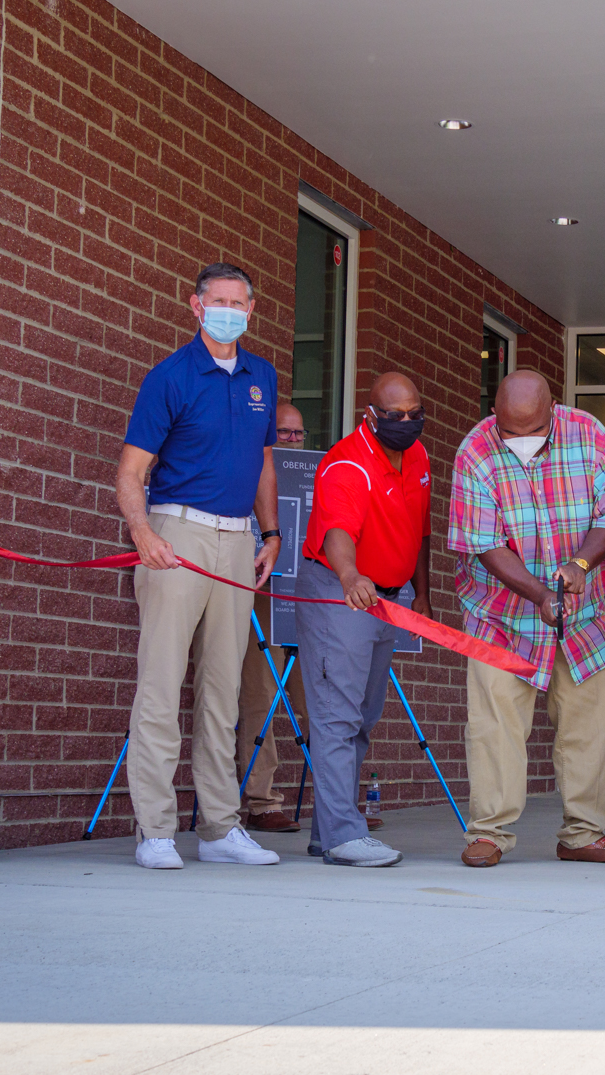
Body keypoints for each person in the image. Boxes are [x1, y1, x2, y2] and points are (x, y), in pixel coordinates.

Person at [117, 262, 283, 870]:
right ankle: (155, 830)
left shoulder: (262, 374)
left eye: (240, 302)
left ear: (251, 308)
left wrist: (270, 533)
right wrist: (142, 534)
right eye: (219, 301)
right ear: (195, 305)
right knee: (161, 684)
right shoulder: (170, 377)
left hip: (240, 541)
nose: (230, 311)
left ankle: (219, 828)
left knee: (225, 688)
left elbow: (263, 464)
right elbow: (130, 473)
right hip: (176, 532)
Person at [448, 369, 605, 868]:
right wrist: (538, 593)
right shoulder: (474, 452)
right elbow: (485, 543)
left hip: (584, 612)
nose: (521, 443)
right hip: (500, 615)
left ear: (553, 411)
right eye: (510, 433)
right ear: (495, 414)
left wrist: (579, 565)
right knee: (494, 723)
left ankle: (585, 834)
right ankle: (489, 832)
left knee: (590, 722)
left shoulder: (589, 433)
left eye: (533, 432)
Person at [294, 371, 432, 867]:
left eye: (416, 414)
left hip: (388, 598)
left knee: (362, 718)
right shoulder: (347, 462)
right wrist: (351, 577)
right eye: (396, 416)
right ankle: (343, 836)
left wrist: (424, 595)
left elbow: (420, 532)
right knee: (337, 715)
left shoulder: (416, 457)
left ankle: (326, 830)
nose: (408, 423)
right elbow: (336, 534)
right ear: (370, 416)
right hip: (341, 592)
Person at [233, 402, 312, 834]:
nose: (292, 441)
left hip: (305, 597)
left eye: (298, 434)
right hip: (262, 592)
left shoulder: (310, 476)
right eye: (283, 432)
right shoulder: (249, 471)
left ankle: (339, 799)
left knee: (317, 697)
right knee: (261, 695)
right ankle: (262, 801)